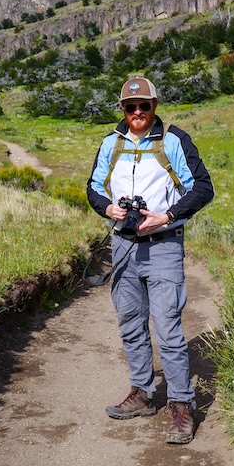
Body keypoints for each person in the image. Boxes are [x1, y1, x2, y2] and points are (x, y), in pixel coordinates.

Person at [86, 76, 214, 445]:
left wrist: (167, 216)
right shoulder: (110, 143)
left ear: (155, 105)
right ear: (122, 109)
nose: (137, 112)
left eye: (144, 105)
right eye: (130, 107)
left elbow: (204, 188)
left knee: (168, 329)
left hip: (163, 244)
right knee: (130, 322)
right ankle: (142, 393)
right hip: (123, 245)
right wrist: (108, 207)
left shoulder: (174, 140)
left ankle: (181, 404)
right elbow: (93, 188)